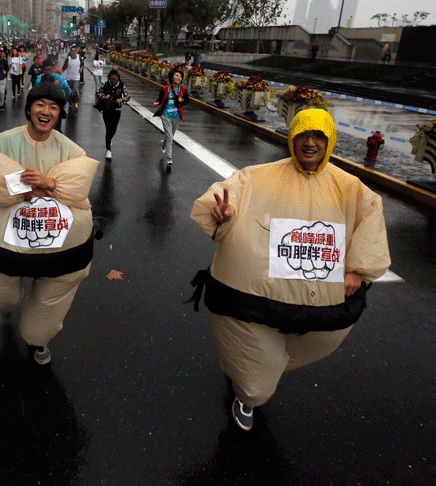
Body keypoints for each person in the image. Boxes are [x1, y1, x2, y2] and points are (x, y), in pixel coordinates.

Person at [189, 108, 391, 431]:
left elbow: (370, 219)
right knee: (256, 381)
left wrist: (357, 270)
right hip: (253, 298)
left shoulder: (349, 187)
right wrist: (222, 213)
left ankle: (259, 366)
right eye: (303, 136)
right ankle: (247, 392)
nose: (309, 143)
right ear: (292, 139)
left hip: (316, 305)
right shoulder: (257, 176)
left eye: (318, 137)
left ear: (329, 141)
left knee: (290, 352)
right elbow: (229, 195)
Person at [0, 80, 99, 365]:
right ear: (29, 109)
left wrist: (51, 183)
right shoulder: (4, 142)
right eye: (40, 105)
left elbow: (78, 188)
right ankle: (8, 303)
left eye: (53, 107)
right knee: (3, 292)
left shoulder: (71, 150)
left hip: (54, 242)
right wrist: (23, 190)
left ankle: (39, 339)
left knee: (50, 301)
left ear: (59, 114)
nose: (46, 111)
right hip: (8, 237)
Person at [153, 68, 190, 168]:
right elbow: (160, 99)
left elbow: (187, 101)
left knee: (170, 136)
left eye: (180, 76)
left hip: (177, 116)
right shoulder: (165, 89)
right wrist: (157, 102)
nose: (179, 78)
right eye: (177, 76)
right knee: (170, 138)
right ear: (172, 77)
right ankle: (169, 158)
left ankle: (163, 143)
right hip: (166, 115)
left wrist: (182, 100)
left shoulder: (183, 90)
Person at [95, 69, 128, 160]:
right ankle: (108, 149)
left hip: (117, 109)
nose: (113, 81)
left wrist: (121, 100)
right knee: (109, 128)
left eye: (115, 79)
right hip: (107, 109)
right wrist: (104, 96)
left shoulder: (121, 85)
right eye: (112, 79)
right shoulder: (105, 85)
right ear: (109, 78)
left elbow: (127, 96)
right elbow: (98, 92)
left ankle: (109, 140)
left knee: (114, 129)